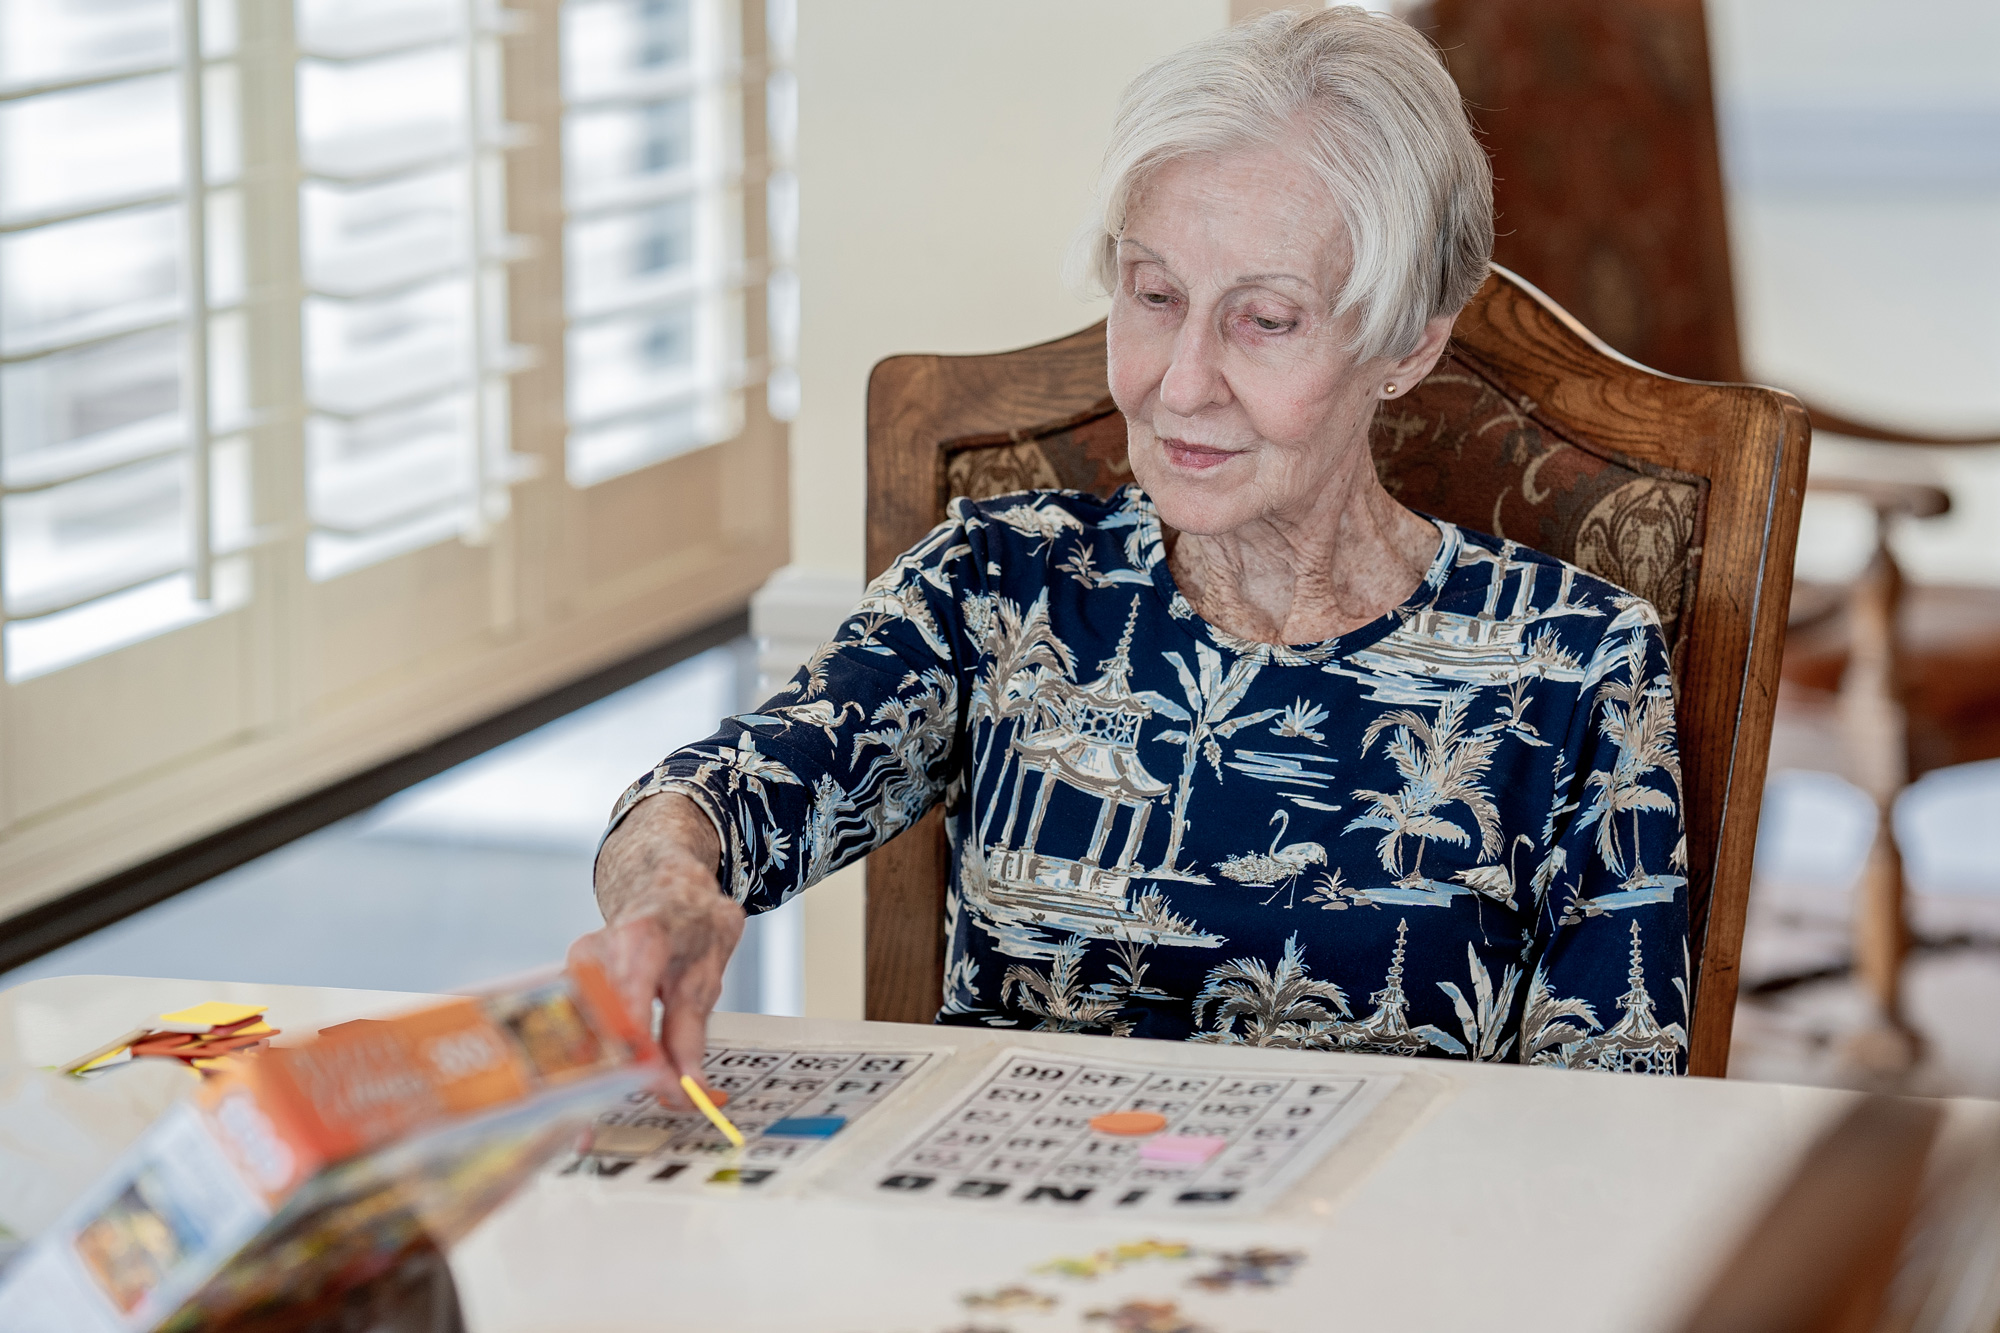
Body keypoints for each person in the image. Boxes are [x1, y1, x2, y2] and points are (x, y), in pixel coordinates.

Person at [574, 6, 1690, 1101]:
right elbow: (714, 799)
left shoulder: (1572, 666)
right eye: (1153, 297)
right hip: (999, 1250)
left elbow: (1612, 1124)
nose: (1181, 382)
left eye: (1264, 319)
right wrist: (665, 887)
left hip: (1386, 1269)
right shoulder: (1003, 586)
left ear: (1405, 341)